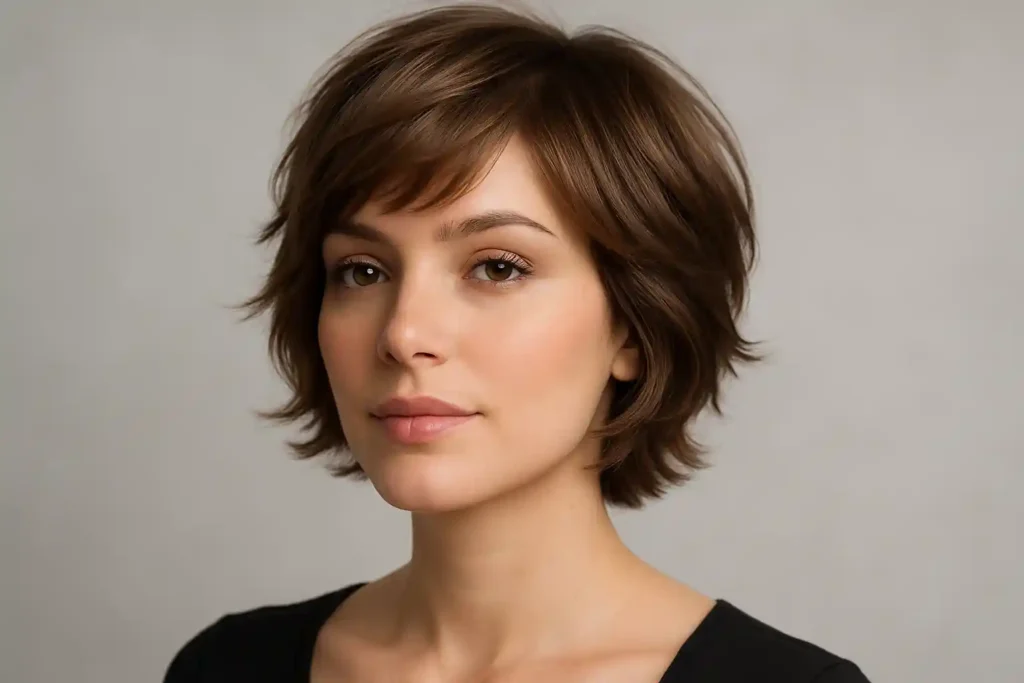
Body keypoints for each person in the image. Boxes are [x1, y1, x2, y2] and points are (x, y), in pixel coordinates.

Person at [164, 4, 870, 682]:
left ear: (635, 325)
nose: (405, 333)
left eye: (497, 267)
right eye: (363, 269)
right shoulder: (226, 668)